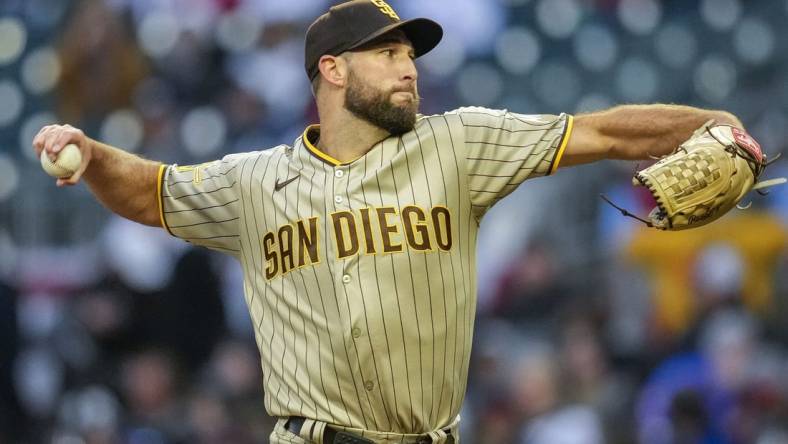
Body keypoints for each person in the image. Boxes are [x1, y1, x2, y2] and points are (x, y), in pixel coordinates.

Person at [33, 1, 745, 443]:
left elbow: (605, 133)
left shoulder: (458, 144)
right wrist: (93, 155)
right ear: (334, 71)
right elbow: (149, 193)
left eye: (411, 55)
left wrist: (707, 122)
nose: (410, 69)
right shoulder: (254, 182)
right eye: (390, 54)